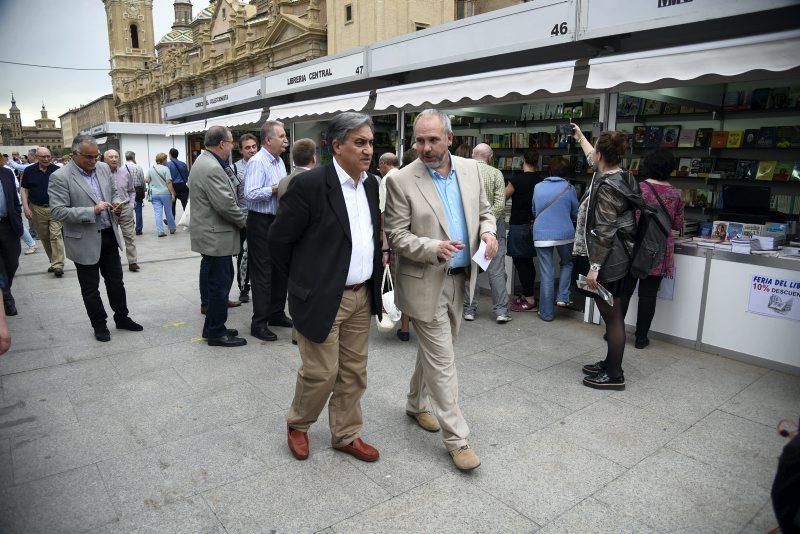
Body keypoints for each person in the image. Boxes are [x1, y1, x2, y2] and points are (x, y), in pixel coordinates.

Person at [385, 109, 497, 472]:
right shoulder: (401, 180)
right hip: (424, 282)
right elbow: (397, 235)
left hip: (462, 279)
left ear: (450, 138)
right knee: (443, 361)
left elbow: (484, 211)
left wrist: (489, 232)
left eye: (433, 139)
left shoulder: (470, 170)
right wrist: (431, 248)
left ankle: (416, 403)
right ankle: (458, 439)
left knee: (435, 353)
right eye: (419, 140)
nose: (425, 147)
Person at [269, 112, 385, 462]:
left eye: (370, 143)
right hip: (321, 298)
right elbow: (278, 243)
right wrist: (304, 284)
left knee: (353, 373)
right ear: (336, 145)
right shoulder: (308, 185)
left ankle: (346, 434)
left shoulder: (371, 184)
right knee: (321, 373)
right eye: (359, 142)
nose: (368, 150)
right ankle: (299, 424)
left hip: (361, 295)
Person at [49, 135, 143, 342]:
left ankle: (122, 317)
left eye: (96, 156)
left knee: (116, 282)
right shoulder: (61, 176)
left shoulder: (102, 168)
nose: (93, 161)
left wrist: (116, 203)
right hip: (83, 240)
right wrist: (91, 210)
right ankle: (99, 325)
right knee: (91, 289)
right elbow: (57, 211)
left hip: (109, 234)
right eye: (88, 157)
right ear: (74, 154)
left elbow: (113, 193)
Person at [571, 125, 640, 391]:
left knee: (612, 317)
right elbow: (593, 157)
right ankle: (610, 363)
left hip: (610, 260)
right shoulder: (621, 176)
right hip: (621, 256)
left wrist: (594, 268)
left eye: (595, 152)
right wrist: (582, 139)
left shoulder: (608, 186)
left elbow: (605, 229)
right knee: (613, 314)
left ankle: (614, 374)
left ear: (601, 154)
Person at [189, 126, 248, 347]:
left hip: (213, 235)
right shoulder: (211, 167)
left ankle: (215, 326)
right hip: (216, 237)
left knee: (219, 283)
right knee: (220, 286)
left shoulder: (206, 162)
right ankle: (215, 332)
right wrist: (245, 223)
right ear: (222, 143)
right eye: (232, 142)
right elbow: (225, 204)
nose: (232, 146)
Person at [622, 149, 684, 349]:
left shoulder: (639, 188)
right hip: (659, 251)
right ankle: (641, 338)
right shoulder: (676, 194)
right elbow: (677, 224)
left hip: (635, 248)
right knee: (648, 296)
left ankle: (614, 332)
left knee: (624, 292)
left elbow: (631, 220)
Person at [244, 120, 292, 342]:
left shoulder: (279, 161)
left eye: (285, 136)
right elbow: (250, 194)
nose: (285, 140)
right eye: (281, 136)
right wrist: (276, 188)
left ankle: (276, 313)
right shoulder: (257, 162)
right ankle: (259, 323)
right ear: (268, 140)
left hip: (278, 221)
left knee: (280, 270)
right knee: (263, 273)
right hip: (261, 222)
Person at [463, 143, 511, 324]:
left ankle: (469, 309)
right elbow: (500, 203)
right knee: (496, 269)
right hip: (493, 226)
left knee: (471, 268)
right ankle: (501, 311)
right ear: (490, 157)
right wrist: (488, 222)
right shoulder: (496, 174)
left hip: (469, 226)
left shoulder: (466, 172)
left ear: (473, 155)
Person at [532, 156, 578, 322]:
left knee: (547, 272)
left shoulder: (538, 187)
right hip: (565, 234)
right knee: (567, 262)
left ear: (549, 170)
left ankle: (546, 313)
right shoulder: (569, 188)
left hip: (541, 234)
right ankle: (563, 296)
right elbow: (575, 213)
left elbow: (534, 210)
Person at [376, 152, 410, 341]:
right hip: (412, 239)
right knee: (409, 282)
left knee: (398, 284)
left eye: (379, 166)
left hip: (396, 238)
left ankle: (403, 327)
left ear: (384, 164)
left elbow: (384, 215)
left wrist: (385, 247)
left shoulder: (387, 180)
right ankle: (408, 323)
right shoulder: (406, 176)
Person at [505, 147, 543, 312]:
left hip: (518, 225)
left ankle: (529, 298)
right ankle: (529, 294)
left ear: (523, 161)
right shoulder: (542, 181)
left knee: (521, 262)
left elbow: (503, 197)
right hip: (536, 225)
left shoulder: (516, 180)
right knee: (528, 262)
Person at [20, 147, 65, 277]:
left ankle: (58, 265)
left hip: (55, 207)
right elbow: (24, 190)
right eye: (43, 157)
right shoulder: (29, 171)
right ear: (36, 157)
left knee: (56, 235)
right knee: (44, 237)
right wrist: (26, 207)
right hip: (37, 208)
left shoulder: (57, 170)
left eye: (48, 156)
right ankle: (53, 261)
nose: (46, 159)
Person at [232, 134, 258, 303]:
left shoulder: (263, 164)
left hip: (262, 217)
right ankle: (244, 287)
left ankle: (260, 286)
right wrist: (239, 220)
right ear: (241, 150)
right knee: (244, 255)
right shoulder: (234, 169)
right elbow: (232, 197)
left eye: (254, 146)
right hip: (244, 218)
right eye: (247, 147)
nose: (252, 150)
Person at [104, 150, 139, 272]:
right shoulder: (100, 174)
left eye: (116, 157)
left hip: (125, 208)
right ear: (105, 159)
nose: (114, 159)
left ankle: (133, 262)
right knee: (112, 237)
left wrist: (131, 204)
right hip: (109, 210)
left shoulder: (125, 172)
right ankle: (114, 262)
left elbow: (131, 190)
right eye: (111, 157)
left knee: (129, 236)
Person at [0, 164, 23, 316]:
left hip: (8, 225)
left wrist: (18, 221)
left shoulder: (7, 173)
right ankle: (6, 298)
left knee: (12, 262)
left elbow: (15, 200)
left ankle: (5, 288)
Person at [146, 153, 177, 237]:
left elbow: (147, 180)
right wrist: (172, 193)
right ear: (163, 160)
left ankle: (160, 231)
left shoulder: (151, 169)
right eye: (166, 159)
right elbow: (168, 182)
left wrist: (154, 182)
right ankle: (172, 228)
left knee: (157, 213)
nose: (167, 161)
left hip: (154, 194)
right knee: (168, 211)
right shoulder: (166, 169)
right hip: (165, 193)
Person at [124, 151, 146, 235]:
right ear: (133, 157)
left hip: (126, 191)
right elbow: (142, 180)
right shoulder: (138, 167)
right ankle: (139, 229)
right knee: (138, 210)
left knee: (127, 210)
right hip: (137, 190)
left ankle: (129, 228)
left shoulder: (123, 167)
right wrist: (144, 190)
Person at [166, 148, 190, 218]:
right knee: (185, 204)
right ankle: (188, 219)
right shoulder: (183, 164)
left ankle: (172, 221)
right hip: (182, 186)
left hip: (172, 186)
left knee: (172, 205)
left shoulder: (168, 165)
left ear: (170, 155)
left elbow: (167, 177)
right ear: (177, 155)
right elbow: (187, 175)